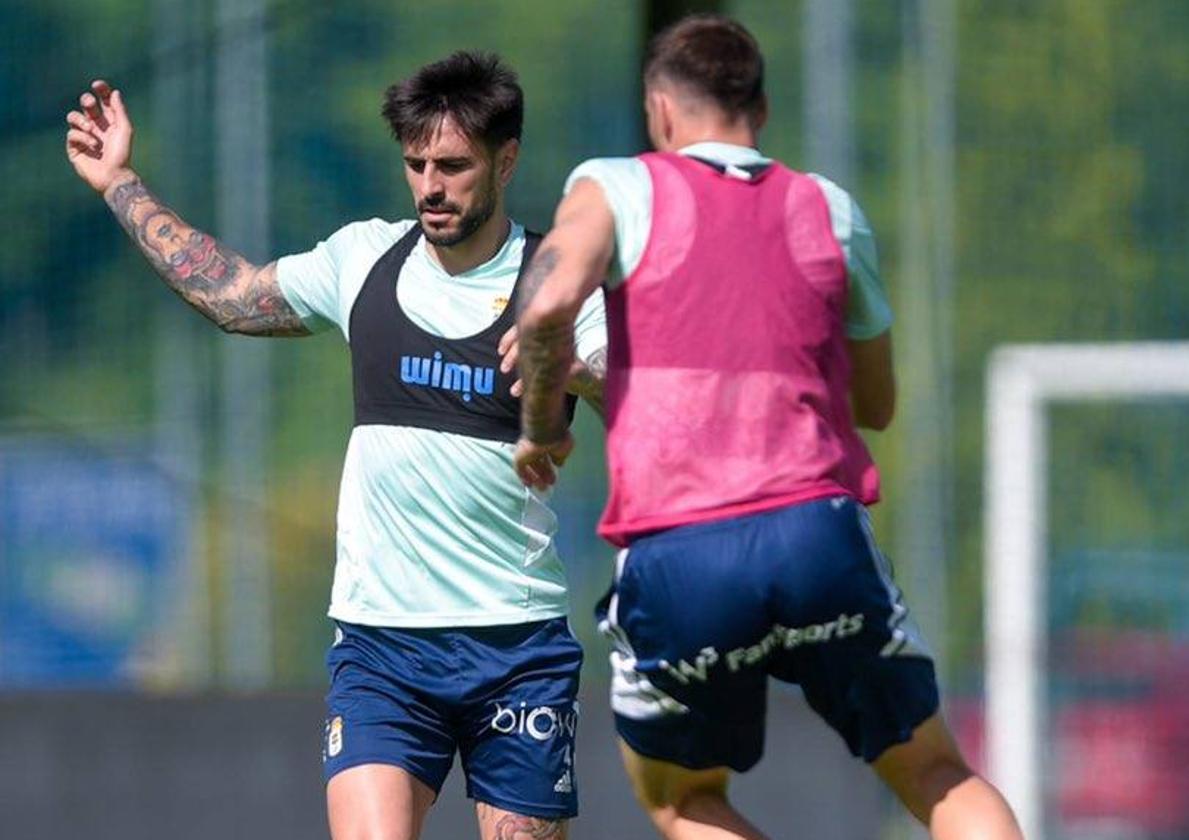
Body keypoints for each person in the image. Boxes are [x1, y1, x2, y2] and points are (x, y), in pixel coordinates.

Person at [65, 52, 606, 840]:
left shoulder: (556, 285)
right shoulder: (364, 258)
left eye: (452, 166)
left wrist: (573, 364)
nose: (430, 186)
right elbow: (233, 296)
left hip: (515, 646)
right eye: (415, 164)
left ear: (506, 160)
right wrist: (120, 182)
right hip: (380, 648)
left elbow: (649, 396)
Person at [513, 15, 1023, 840]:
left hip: (684, 556)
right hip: (816, 538)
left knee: (681, 798)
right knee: (934, 772)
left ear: (659, 111)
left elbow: (544, 307)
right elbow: (876, 404)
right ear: (762, 108)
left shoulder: (615, 184)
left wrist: (543, 427)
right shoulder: (827, 207)